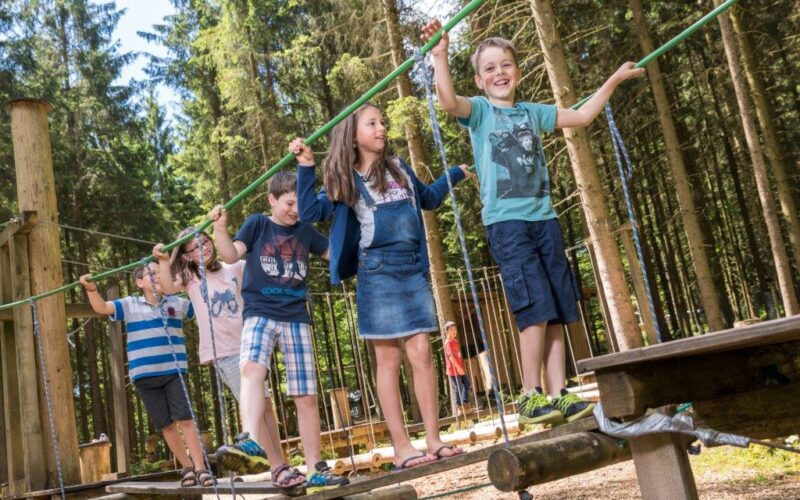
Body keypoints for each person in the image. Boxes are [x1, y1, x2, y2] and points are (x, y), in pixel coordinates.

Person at [422, 20, 645, 424]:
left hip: (546, 221)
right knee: (534, 307)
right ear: (479, 79)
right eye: (489, 68)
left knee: (559, 307)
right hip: (508, 226)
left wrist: (612, 80)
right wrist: (440, 55)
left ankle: (559, 392)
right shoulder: (480, 112)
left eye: (506, 65)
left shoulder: (532, 113)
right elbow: (449, 102)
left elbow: (580, 116)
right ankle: (529, 394)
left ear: (518, 73)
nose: (499, 73)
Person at [291, 101, 470, 471]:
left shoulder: (400, 168)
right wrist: (305, 166)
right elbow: (310, 213)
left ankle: (433, 439)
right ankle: (403, 447)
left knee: (422, 352)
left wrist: (455, 172)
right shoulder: (346, 180)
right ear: (353, 135)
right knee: (388, 359)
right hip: (378, 273)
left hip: (411, 270)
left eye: (382, 121)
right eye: (372, 123)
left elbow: (430, 199)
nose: (381, 127)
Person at [211, 171, 348, 490]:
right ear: (272, 200)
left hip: (296, 316)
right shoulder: (258, 223)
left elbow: (336, 254)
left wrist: (342, 207)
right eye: (289, 203)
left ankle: (316, 468)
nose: (295, 210)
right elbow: (230, 254)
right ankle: (249, 441)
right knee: (251, 369)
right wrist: (220, 229)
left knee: (306, 394)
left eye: (300, 203)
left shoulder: (306, 231)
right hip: (260, 312)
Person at [152, 227, 283, 474]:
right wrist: (163, 259)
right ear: (187, 256)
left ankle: (279, 461)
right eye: (195, 247)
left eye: (206, 241)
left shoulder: (235, 268)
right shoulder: (191, 279)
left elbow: (261, 278)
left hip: (250, 344)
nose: (205, 247)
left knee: (266, 406)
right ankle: (276, 467)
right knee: (255, 405)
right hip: (225, 352)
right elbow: (165, 288)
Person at [79, 264, 215, 487]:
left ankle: (201, 468)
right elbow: (102, 308)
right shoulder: (131, 304)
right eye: (151, 274)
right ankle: (187, 467)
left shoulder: (176, 302)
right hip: (144, 377)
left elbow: (203, 308)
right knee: (167, 425)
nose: (157, 276)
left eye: (159, 272)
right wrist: (91, 289)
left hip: (174, 372)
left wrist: (195, 279)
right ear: (140, 283)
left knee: (185, 420)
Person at [443, 321, 472, 414]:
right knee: (458, 387)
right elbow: (451, 357)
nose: (454, 331)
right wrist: (458, 368)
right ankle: (459, 407)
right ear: (447, 332)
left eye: (455, 329)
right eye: (451, 330)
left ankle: (465, 403)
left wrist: (461, 367)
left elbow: (458, 355)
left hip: (459, 368)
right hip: (453, 370)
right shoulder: (448, 343)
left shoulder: (455, 341)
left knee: (467, 384)